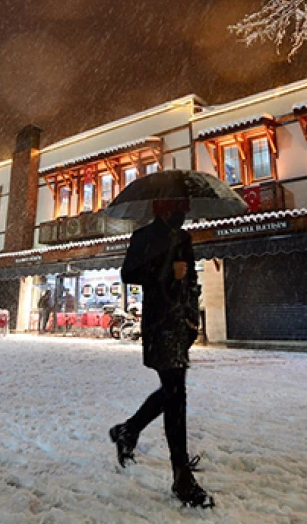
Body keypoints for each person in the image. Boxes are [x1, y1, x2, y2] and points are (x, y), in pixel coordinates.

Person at [109, 199, 212, 508]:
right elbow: (129, 273)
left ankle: (128, 431)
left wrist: (194, 315)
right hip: (158, 322)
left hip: (180, 322)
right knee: (176, 392)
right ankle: (181, 475)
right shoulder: (144, 237)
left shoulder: (184, 238)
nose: (184, 214)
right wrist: (167, 270)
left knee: (173, 391)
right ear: (164, 209)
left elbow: (192, 278)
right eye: (179, 208)